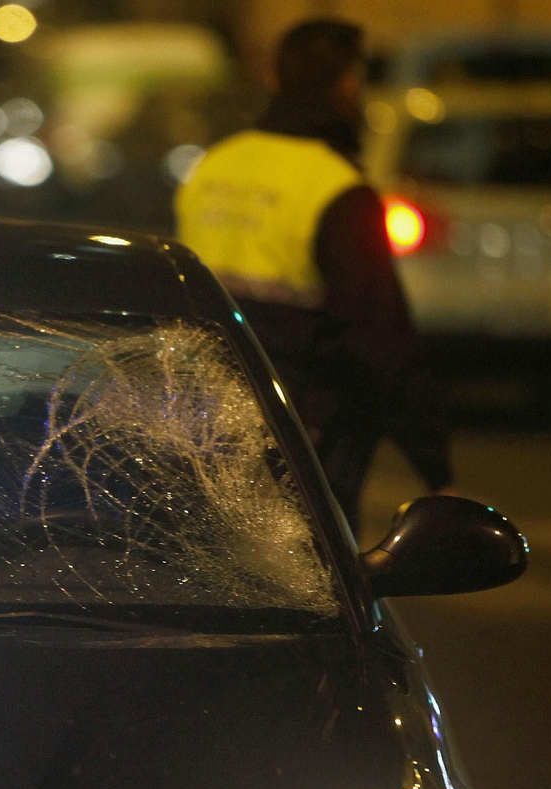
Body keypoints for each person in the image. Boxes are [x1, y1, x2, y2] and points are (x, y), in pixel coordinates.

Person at [175, 18, 452, 538]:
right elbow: (379, 336)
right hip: (307, 433)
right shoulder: (337, 188)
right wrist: (434, 464)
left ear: (275, 78)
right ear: (348, 83)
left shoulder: (214, 167)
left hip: (207, 415)